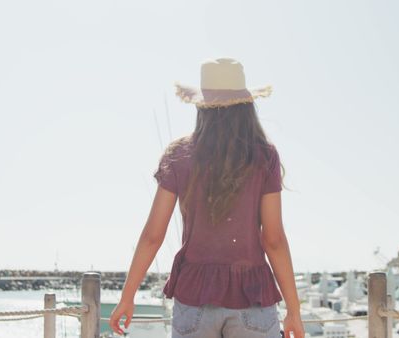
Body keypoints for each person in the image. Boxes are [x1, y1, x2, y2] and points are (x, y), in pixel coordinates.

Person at [109, 58, 304, 338]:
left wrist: (127, 297)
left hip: (194, 298)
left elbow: (153, 234)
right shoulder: (264, 156)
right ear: (246, 105)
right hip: (252, 298)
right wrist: (294, 311)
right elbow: (273, 239)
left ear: (201, 106)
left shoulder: (179, 155)